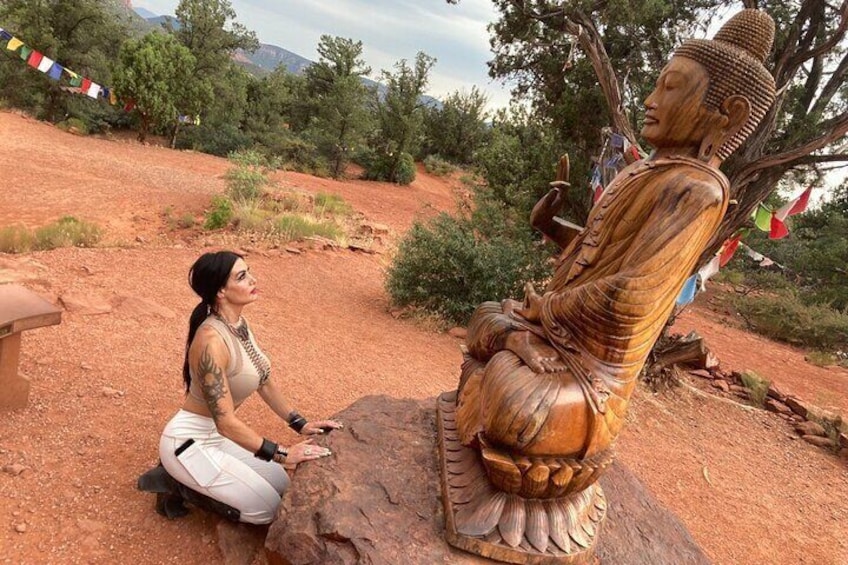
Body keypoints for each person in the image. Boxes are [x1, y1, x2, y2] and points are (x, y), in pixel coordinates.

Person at [455, 8, 777, 474]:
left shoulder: (699, 191)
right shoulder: (645, 171)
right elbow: (594, 253)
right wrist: (550, 224)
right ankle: (515, 347)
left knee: (518, 406)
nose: (650, 99)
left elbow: (630, 294)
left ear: (729, 114)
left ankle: (514, 361)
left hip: (592, 374)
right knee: (486, 315)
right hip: (555, 335)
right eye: (657, 83)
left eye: (670, 88)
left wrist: (541, 311)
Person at [141, 250, 342, 525]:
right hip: (189, 442)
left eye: (248, 272)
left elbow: (264, 380)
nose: (253, 279)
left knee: (282, 485)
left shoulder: (238, 325)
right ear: (221, 291)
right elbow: (225, 422)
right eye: (242, 276)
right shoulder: (211, 341)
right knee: (267, 511)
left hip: (218, 437)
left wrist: (300, 424)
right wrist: (284, 453)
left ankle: (191, 478)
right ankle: (175, 483)